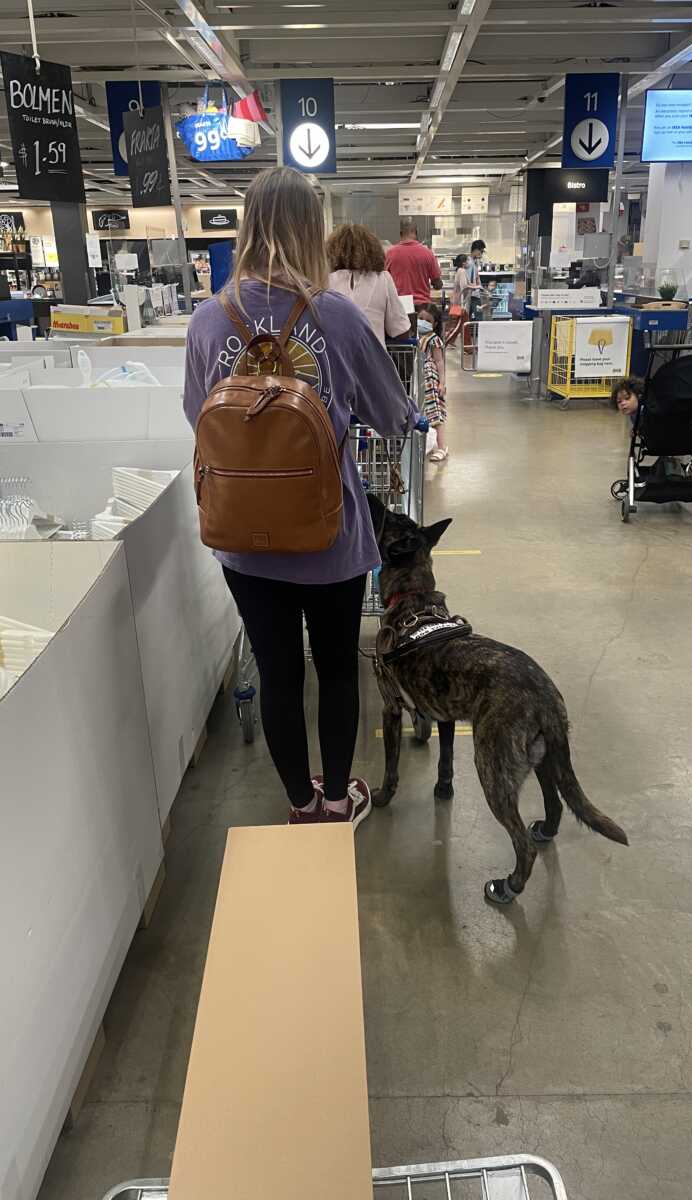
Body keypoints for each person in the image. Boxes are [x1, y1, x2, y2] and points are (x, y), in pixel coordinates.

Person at [183, 166, 417, 825]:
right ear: (309, 231)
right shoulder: (334, 314)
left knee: (279, 673)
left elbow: (195, 416)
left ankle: (299, 803)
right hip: (331, 533)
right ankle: (340, 798)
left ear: (247, 229)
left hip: (243, 538)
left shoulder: (208, 320)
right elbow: (391, 412)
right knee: (338, 668)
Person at [327, 223, 410, 345]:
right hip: (373, 359)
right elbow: (401, 331)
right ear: (373, 249)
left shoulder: (324, 282)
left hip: (336, 361)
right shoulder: (383, 279)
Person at [385, 220, 442, 310]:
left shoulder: (390, 254)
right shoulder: (427, 253)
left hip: (399, 306)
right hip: (423, 307)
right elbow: (438, 284)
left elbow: (384, 281)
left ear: (400, 233)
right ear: (416, 232)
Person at [417, 301, 448, 462]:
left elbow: (440, 361)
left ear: (435, 324)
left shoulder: (433, 339)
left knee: (435, 414)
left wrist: (442, 383)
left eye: (428, 320)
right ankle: (428, 445)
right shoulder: (415, 337)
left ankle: (442, 447)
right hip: (419, 379)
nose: (423, 322)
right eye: (421, 318)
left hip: (430, 379)